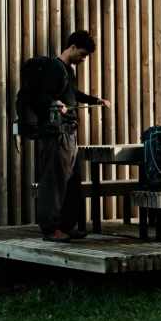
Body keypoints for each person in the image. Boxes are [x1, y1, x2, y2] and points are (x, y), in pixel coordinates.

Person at [36, 30, 111, 242]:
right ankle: (50, 229)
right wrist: (55, 103)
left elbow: (73, 94)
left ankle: (65, 226)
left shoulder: (68, 70)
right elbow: (44, 96)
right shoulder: (54, 68)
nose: (84, 59)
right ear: (72, 47)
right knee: (55, 182)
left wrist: (95, 100)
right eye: (83, 54)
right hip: (57, 133)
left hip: (70, 134)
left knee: (71, 183)